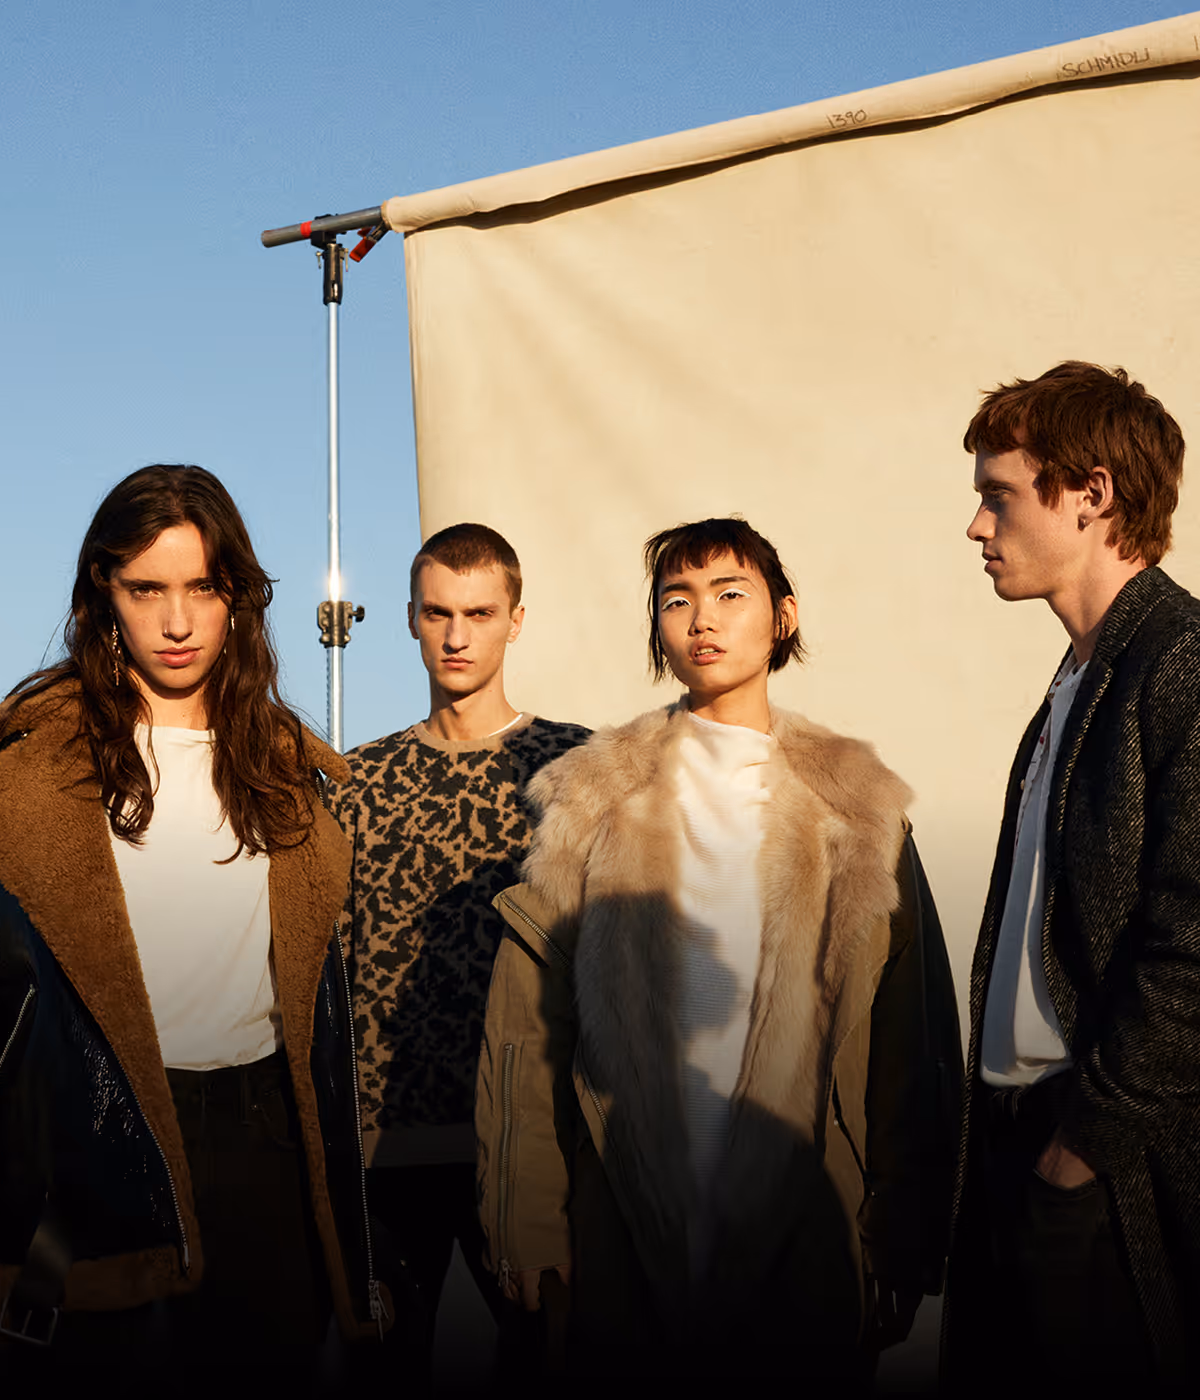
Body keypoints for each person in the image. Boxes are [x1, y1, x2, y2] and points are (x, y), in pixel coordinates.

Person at [0, 465, 384, 1383]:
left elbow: (326, 1040)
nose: (176, 620)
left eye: (203, 586)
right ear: (101, 595)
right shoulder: (11, 788)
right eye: (146, 588)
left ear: (237, 596)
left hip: (271, 1183)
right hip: (91, 1189)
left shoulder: (292, 782)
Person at [476, 516, 961, 1382]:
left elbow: (909, 1042)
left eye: (730, 594)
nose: (702, 618)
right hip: (628, 1212)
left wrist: (904, 1235)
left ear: (783, 615)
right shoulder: (591, 800)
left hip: (804, 1211)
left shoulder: (860, 813)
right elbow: (529, 1033)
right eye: (677, 600)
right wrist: (528, 1220)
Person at [943, 362, 1199, 1388]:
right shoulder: (1072, 682)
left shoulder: (1177, 664)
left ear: (1088, 493)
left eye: (997, 492)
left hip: (1104, 1164)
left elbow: (1191, 948)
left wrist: (1079, 1148)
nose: (974, 524)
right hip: (1019, 1147)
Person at [326, 523, 589, 1385]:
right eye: (438, 612)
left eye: (479, 612)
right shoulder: (357, 783)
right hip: (384, 1144)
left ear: (516, 619)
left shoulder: (574, 770)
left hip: (527, 1140)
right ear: (408, 618)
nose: (456, 634)